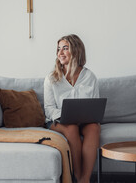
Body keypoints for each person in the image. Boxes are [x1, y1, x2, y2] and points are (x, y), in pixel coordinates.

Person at [44, 34, 100, 183]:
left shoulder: (90, 77)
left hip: (84, 121)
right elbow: (49, 108)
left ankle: (84, 180)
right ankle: (78, 177)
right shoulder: (51, 78)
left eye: (65, 48)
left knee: (94, 127)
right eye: (58, 49)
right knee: (71, 128)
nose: (60, 53)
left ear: (76, 51)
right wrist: (64, 116)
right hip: (59, 122)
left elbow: (95, 105)